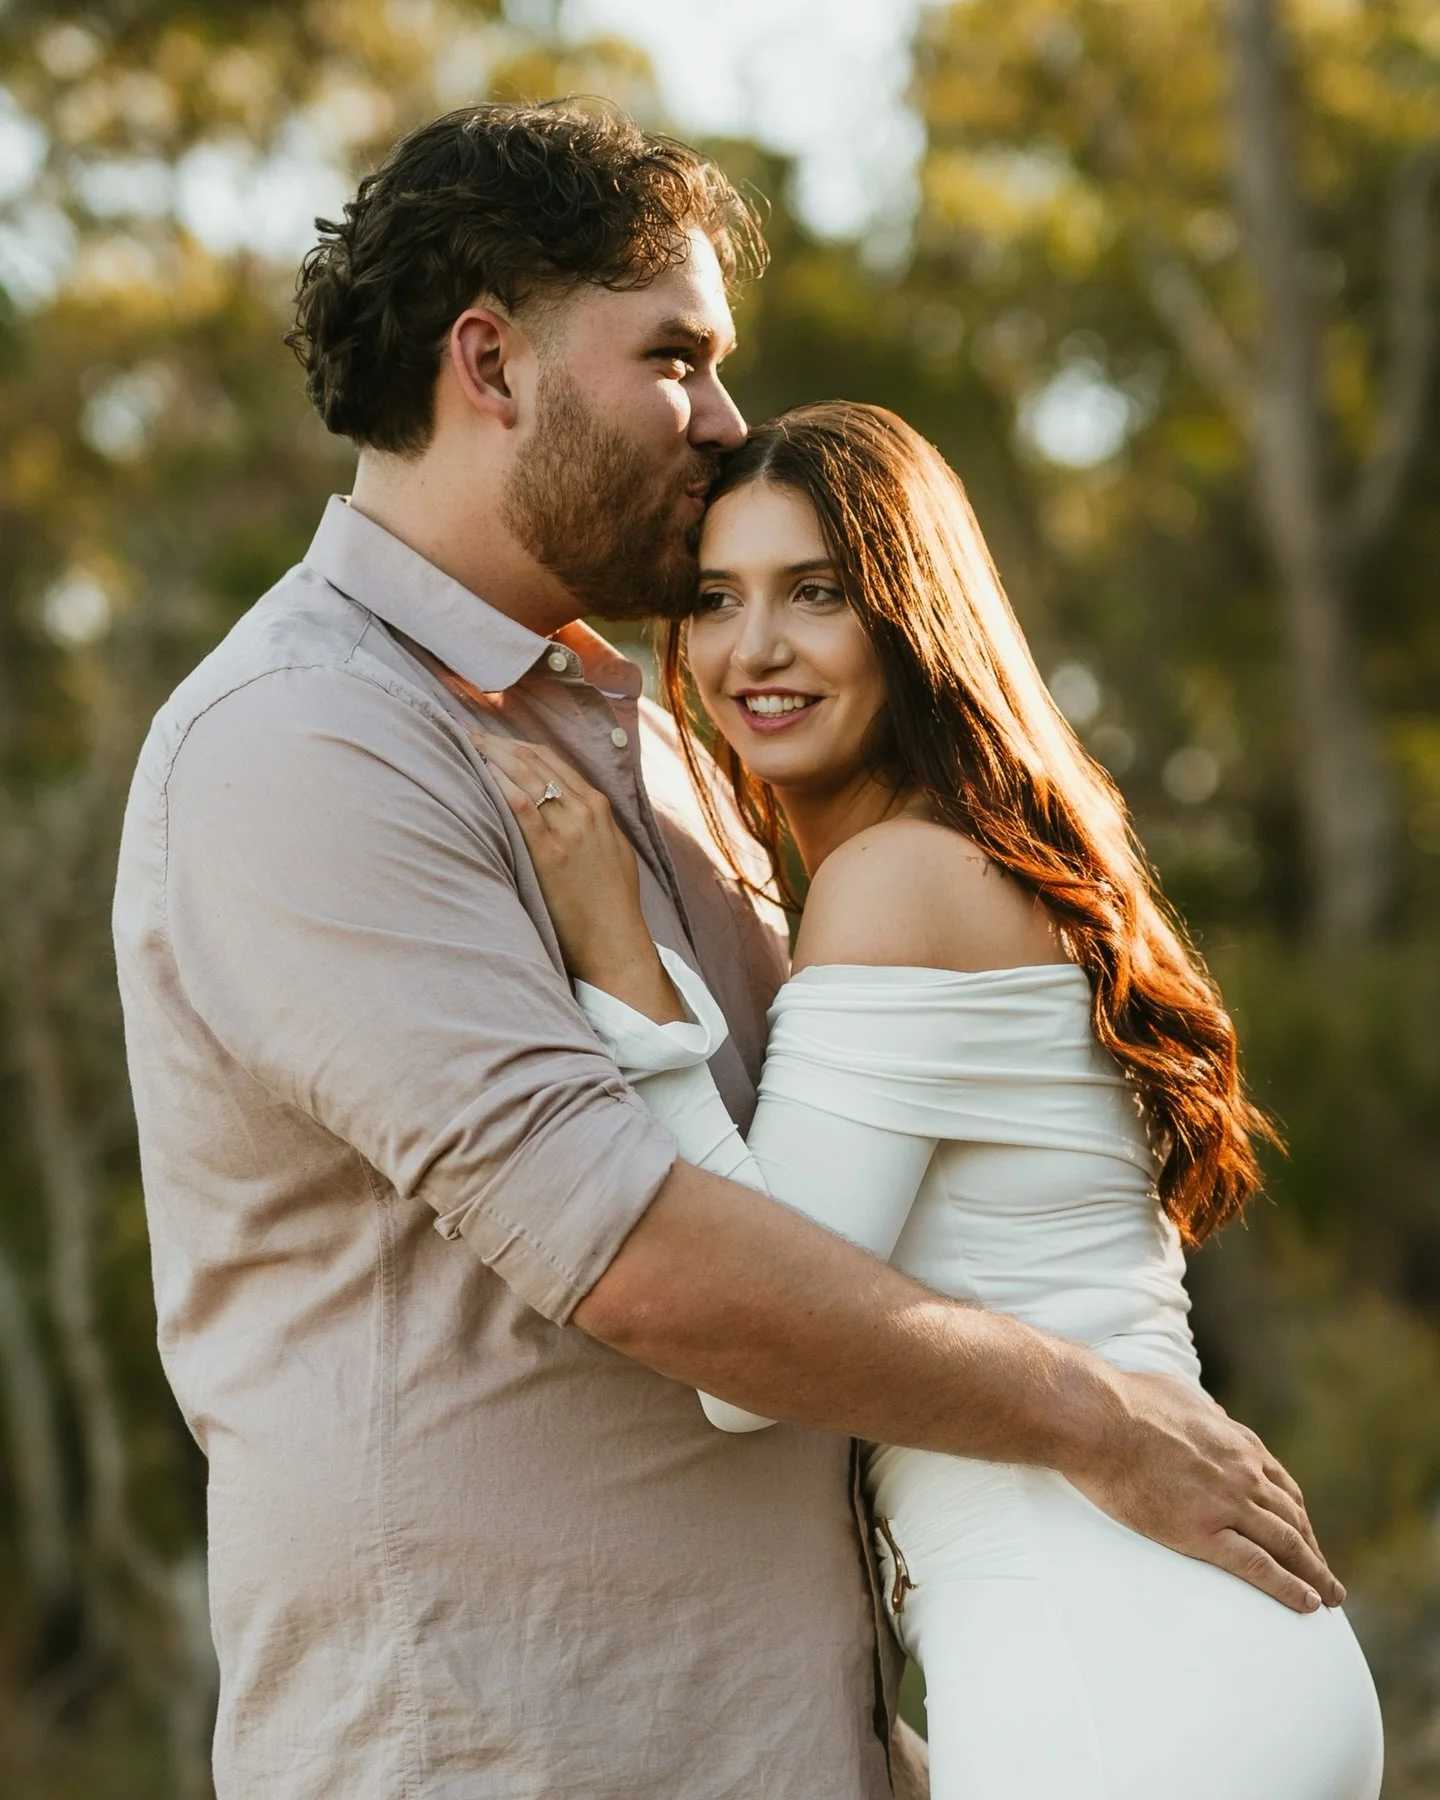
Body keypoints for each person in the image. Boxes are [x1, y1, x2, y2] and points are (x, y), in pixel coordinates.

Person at [112, 103, 1340, 1800]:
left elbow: (832, 1222)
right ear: (491, 363)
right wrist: (1089, 1414)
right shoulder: (311, 743)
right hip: (507, 1751)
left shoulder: (670, 749)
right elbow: (648, 1261)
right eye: (677, 358)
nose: (725, 418)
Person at [476, 400, 1385, 1800]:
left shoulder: (898, 879)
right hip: (1195, 1650)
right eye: (715, 600)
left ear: (909, 616)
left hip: (1116, 1661)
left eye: (815, 594)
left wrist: (619, 958)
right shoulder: (970, 862)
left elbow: (748, 1359)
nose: (751, 649)